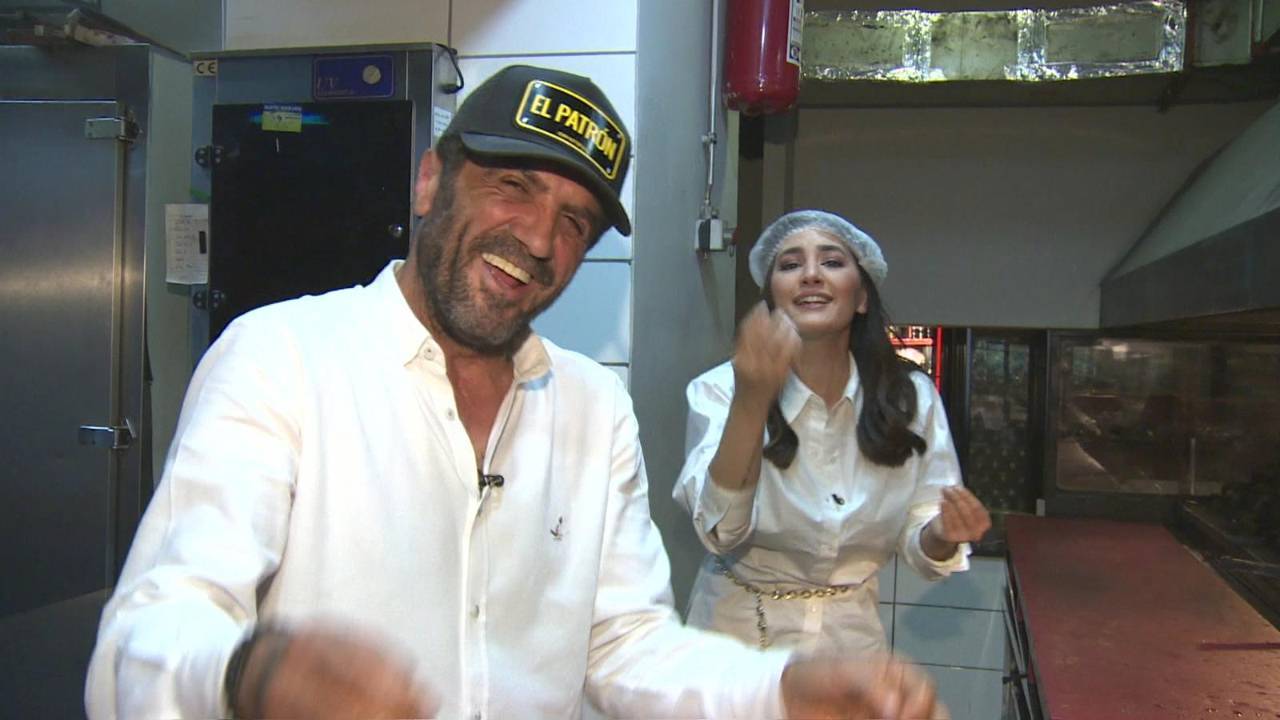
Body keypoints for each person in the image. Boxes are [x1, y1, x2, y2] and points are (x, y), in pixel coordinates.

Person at [85, 67, 942, 719]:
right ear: (431, 181)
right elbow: (146, 634)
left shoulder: (592, 408)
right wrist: (252, 674)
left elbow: (626, 644)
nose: (537, 238)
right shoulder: (282, 359)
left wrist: (780, 689)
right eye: (512, 186)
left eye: (575, 222)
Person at [674, 210, 992, 656]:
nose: (810, 275)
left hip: (851, 644)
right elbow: (720, 531)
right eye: (790, 265)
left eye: (831, 262)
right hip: (737, 639)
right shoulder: (719, 389)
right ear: (771, 299)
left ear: (861, 297)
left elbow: (922, 537)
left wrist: (941, 532)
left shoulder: (910, 398)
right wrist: (752, 399)